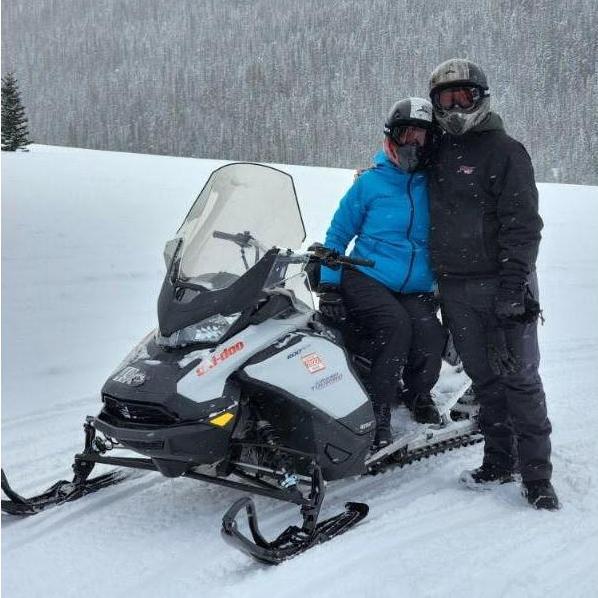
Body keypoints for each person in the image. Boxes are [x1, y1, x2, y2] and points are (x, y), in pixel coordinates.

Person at [427, 58, 559, 510]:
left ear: (482, 99)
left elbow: (523, 226)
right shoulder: (436, 151)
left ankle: (538, 476)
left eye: (466, 96)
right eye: (448, 98)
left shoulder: (506, 151)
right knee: (484, 380)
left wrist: (512, 286)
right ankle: (500, 460)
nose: (457, 105)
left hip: (505, 284)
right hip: (454, 287)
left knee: (519, 378)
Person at [317, 97, 445, 448]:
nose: (414, 145)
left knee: (430, 333)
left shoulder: (436, 184)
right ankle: (378, 406)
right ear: (392, 137)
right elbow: (337, 235)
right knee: (395, 325)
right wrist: (329, 284)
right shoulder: (369, 184)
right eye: (407, 135)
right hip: (367, 274)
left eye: (423, 137)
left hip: (416, 283)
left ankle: (419, 393)